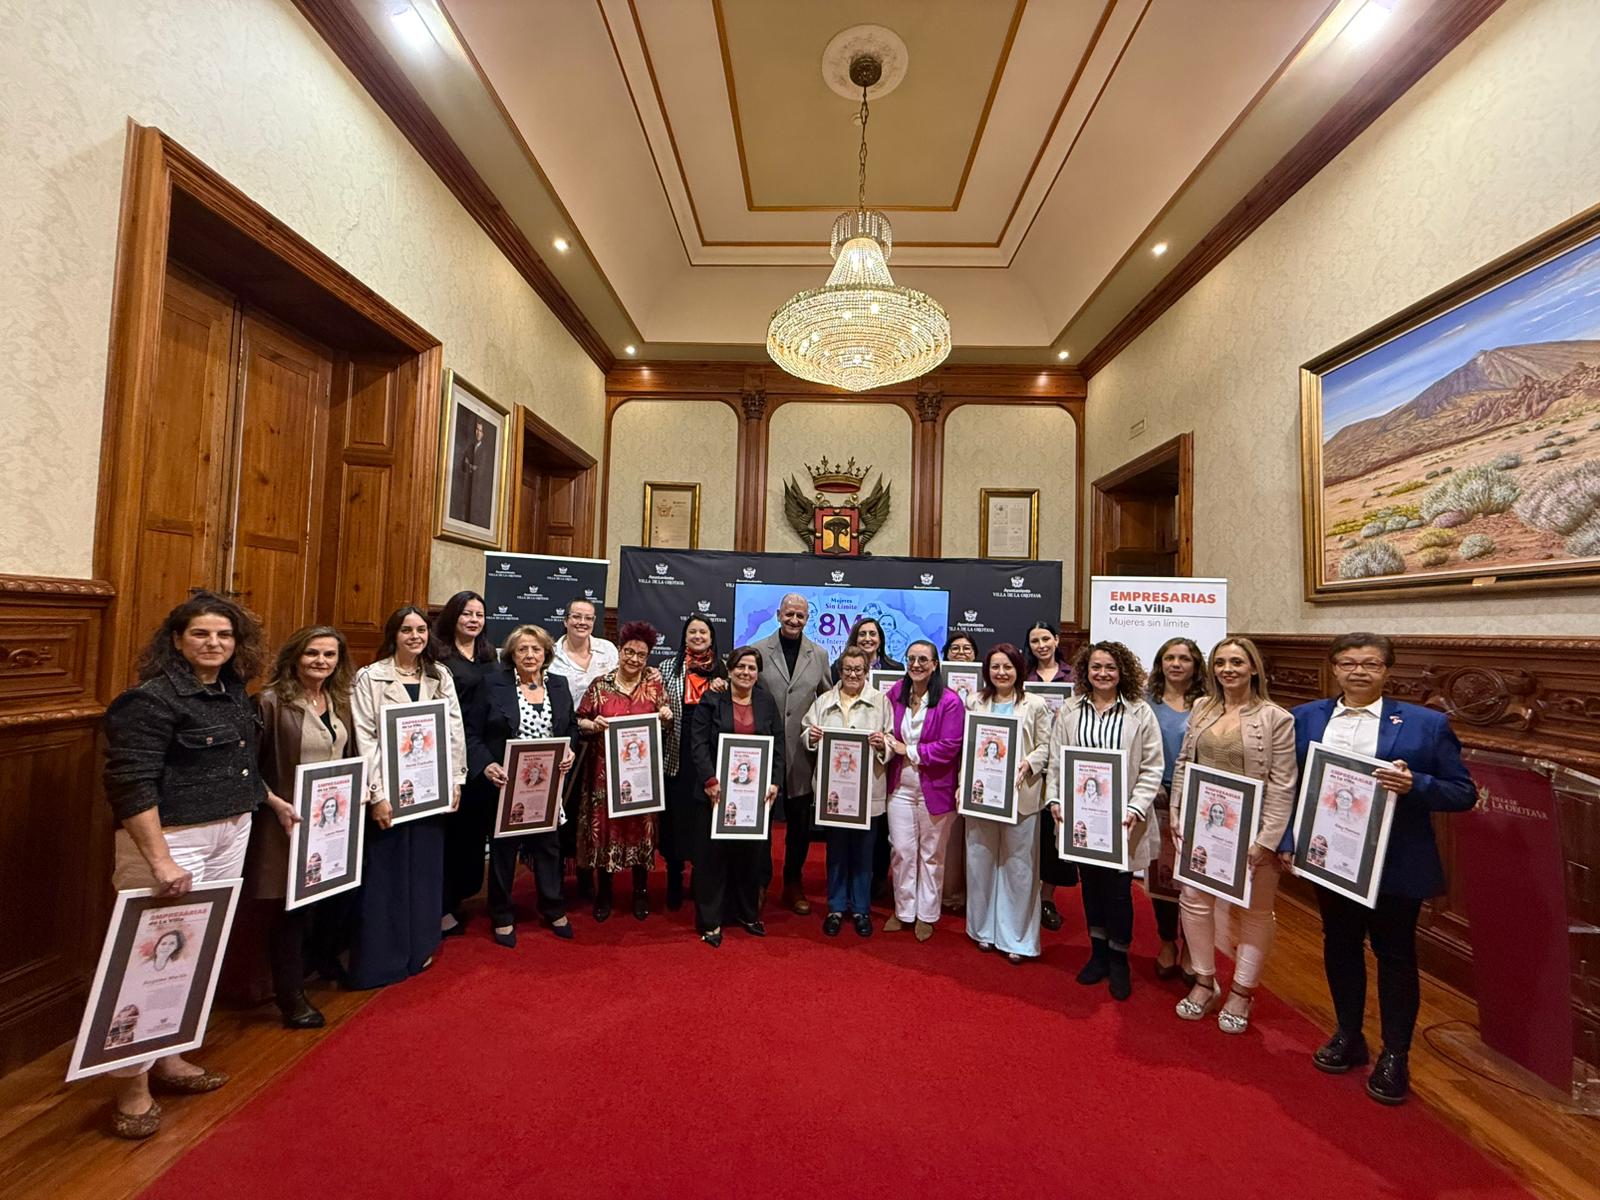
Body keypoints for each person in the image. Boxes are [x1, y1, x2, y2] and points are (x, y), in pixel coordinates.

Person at [101, 592, 294, 1139]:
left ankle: (169, 1055)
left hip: (231, 831)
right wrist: (159, 860)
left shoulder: (233, 693)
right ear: (177, 640)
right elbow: (130, 784)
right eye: (201, 634)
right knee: (146, 961)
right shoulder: (149, 701)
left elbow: (238, 765)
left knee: (195, 951)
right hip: (171, 841)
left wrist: (269, 799)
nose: (214, 643)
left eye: (224, 635)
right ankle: (131, 1086)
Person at [1288, 632, 1475, 1106]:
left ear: (1387, 670)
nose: (1359, 671)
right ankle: (1348, 1035)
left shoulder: (1426, 724)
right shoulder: (1305, 718)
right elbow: (1288, 785)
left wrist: (1416, 784)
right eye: (1348, 663)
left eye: (1370, 663)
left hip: (1396, 859)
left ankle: (1395, 1055)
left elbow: (1463, 792)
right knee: (1340, 944)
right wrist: (1290, 841)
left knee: (1395, 955)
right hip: (1330, 856)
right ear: (1334, 668)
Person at [1169, 637, 1296, 1034]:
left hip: (1253, 830)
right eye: (1221, 662)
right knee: (1194, 900)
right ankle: (1204, 981)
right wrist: (1177, 812)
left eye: (1237, 662)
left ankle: (1242, 991)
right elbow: (1185, 761)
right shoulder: (1201, 708)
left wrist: (1267, 840)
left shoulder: (1276, 718)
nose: (1228, 669)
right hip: (1204, 824)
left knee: (1255, 911)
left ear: (1253, 668)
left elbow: (1283, 784)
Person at [347, 606, 467, 990]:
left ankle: (421, 946)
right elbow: (365, 738)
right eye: (406, 630)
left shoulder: (439, 674)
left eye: (421, 630)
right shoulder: (370, 677)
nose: (415, 636)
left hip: (431, 790)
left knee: (425, 870)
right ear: (393, 635)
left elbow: (454, 731)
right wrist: (378, 794)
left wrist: (456, 781)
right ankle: (385, 958)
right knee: (388, 873)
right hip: (391, 793)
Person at [247, 624, 355, 1030]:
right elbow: (248, 768)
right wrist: (275, 803)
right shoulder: (269, 703)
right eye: (312, 653)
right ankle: (289, 996)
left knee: (325, 901)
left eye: (329, 655)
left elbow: (347, 755)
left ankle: (316, 966)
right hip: (285, 822)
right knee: (290, 909)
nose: (320, 661)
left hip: (331, 822)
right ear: (294, 656)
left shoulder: (338, 701)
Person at [1046, 640, 1163, 1001]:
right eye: (1096, 667)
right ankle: (1097, 954)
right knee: (1091, 886)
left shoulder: (1140, 712)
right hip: (1081, 818)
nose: (1103, 673)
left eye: (1110, 667)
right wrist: (1054, 799)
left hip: (1123, 820)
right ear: (1086, 671)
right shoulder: (1070, 709)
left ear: (1121, 671)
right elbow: (1056, 760)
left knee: (1118, 891)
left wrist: (1135, 808)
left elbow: (1152, 767)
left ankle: (1118, 958)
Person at [466, 624, 577, 948]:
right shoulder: (492, 685)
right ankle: (501, 913)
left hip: (547, 785)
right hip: (505, 784)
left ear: (546, 654)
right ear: (512, 655)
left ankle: (553, 907)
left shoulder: (559, 685)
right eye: (522, 649)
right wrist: (487, 765)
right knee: (504, 851)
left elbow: (570, 727)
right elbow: (471, 733)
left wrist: (569, 749)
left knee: (549, 847)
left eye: (536, 649)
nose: (530, 655)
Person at [574, 620, 673, 921]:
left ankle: (640, 891)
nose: (634, 659)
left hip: (642, 776)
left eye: (641, 655)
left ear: (648, 657)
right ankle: (604, 892)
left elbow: (666, 725)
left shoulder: (655, 686)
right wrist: (592, 724)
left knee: (641, 829)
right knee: (607, 830)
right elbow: (579, 721)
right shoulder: (600, 685)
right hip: (604, 775)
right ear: (619, 651)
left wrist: (666, 716)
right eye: (629, 651)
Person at [689, 646, 785, 945]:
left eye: (752, 668)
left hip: (753, 797)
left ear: (758, 673)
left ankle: (747, 913)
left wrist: (774, 782)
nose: (746, 672)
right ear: (729, 670)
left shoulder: (766, 701)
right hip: (715, 794)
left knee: (750, 857)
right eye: (740, 667)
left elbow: (778, 745)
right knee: (713, 858)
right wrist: (709, 780)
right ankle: (710, 921)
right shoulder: (712, 700)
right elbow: (698, 743)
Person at [964, 643, 1052, 963]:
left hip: (1020, 794)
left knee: (1019, 867)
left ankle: (1017, 938)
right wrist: (962, 785)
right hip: (981, 795)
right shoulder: (974, 701)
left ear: (1018, 669)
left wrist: (1029, 763)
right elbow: (968, 747)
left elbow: (1046, 745)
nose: (1001, 673)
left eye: (1008, 667)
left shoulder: (1035, 704)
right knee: (980, 862)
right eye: (995, 667)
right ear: (986, 671)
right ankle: (983, 929)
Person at [803, 645, 892, 939]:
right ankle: (836, 907)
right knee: (837, 852)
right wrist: (811, 736)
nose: (853, 675)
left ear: (867, 671)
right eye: (848, 669)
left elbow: (892, 740)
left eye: (858, 670)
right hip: (834, 793)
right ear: (839, 671)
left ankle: (861, 910)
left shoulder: (881, 701)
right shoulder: (824, 701)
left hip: (868, 792)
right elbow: (806, 733)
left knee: (865, 853)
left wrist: (882, 744)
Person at [883, 639, 967, 941]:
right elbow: (885, 729)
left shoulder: (950, 701)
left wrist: (908, 750)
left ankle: (927, 915)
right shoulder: (896, 693)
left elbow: (950, 746)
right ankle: (903, 911)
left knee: (932, 854)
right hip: (899, 788)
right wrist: (884, 742)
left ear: (934, 664)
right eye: (911, 659)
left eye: (922, 660)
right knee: (902, 851)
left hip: (936, 789)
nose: (916, 665)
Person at [752, 593, 831, 915]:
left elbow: (827, 698)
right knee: (761, 822)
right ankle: (759, 881)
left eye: (800, 616)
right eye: (789, 614)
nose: (794, 620)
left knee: (799, 826)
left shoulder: (819, 654)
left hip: (802, 753)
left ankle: (793, 882)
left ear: (807, 619)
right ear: (778, 614)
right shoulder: (758, 650)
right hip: (765, 751)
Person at [432, 590, 499, 937]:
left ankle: (459, 897)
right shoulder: (439, 657)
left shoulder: (490, 656)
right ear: (453, 616)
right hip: (452, 754)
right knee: (451, 837)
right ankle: (441, 906)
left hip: (485, 757)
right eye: (467, 613)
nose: (473, 620)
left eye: (479, 614)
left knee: (473, 835)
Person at [548, 597, 619, 897]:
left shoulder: (608, 650)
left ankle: (587, 870)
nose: (582, 622)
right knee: (565, 806)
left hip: (603, 742)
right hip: (568, 741)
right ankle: (554, 876)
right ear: (565, 620)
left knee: (593, 812)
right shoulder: (550, 653)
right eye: (576, 616)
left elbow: (621, 685)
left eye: (588, 618)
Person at [659, 616, 729, 911]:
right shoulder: (667, 668)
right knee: (676, 819)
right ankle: (674, 877)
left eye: (703, 632)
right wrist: (662, 710)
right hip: (677, 751)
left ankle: (702, 879)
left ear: (712, 637)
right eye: (692, 632)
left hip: (710, 754)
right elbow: (657, 702)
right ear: (684, 637)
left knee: (704, 819)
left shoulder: (724, 669)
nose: (698, 636)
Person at [1147, 636, 1204, 979]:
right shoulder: (1146, 702)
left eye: (1184, 658)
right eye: (1169, 658)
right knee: (1163, 875)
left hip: (1197, 797)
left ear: (1195, 665)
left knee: (1193, 877)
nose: (1176, 664)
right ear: (1160, 663)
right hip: (1157, 796)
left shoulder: (1208, 703)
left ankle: (1192, 947)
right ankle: (1167, 940)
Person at [1025, 620, 1077, 932]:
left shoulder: (1074, 676)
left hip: (1062, 763)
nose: (1041, 645)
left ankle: (1047, 898)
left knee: (1053, 835)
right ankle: (1026, 895)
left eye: (1046, 639)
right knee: (1030, 835)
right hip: (1030, 763)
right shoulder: (1024, 676)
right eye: (1035, 641)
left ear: (1056, 640)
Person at [830, 615, 903, 682]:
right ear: (855, 639)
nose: (867, 639)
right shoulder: (838, 666)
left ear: (880, 639)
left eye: (872, 634)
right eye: (862, 634)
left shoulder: (896, 668)